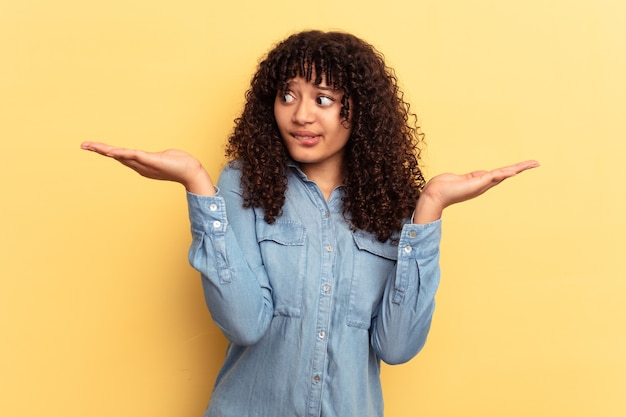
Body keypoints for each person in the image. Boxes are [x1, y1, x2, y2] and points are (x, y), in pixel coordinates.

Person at [81, 30, 538, 417]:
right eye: (288, 96)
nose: (301, 115)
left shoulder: (393, 204)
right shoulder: (244, 184)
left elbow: (397, 347)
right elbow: (244, 324)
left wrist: (430, 207)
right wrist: (198, 185)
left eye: (323, 99)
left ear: (361, 111)